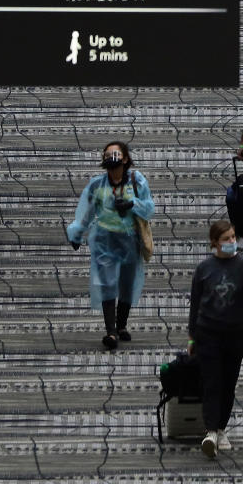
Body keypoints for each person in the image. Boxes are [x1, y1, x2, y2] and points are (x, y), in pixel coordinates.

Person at [66, 141, 155, 350]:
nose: (111, 157)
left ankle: (121, 325)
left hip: (130, 239)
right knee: (106, 283)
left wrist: (133, 204)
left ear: (125, 158)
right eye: (107, 154)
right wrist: (77, 233)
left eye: (115, 153)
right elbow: (86, 211)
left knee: (127, 283)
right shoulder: (97, 184)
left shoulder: (136, 180)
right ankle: (111, 332)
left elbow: (150, 207)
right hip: (105, 240)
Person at [188, 219, 243, 458]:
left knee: (229, 383)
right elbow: (195, 305)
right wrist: (191, 338)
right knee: (212, 382)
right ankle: (210, 431)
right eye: (226, 239)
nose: (231, 242)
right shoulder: (204, 269)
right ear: (214, 243)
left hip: (234, 334)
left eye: (232, 237)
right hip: (207, 332)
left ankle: (221, 428)